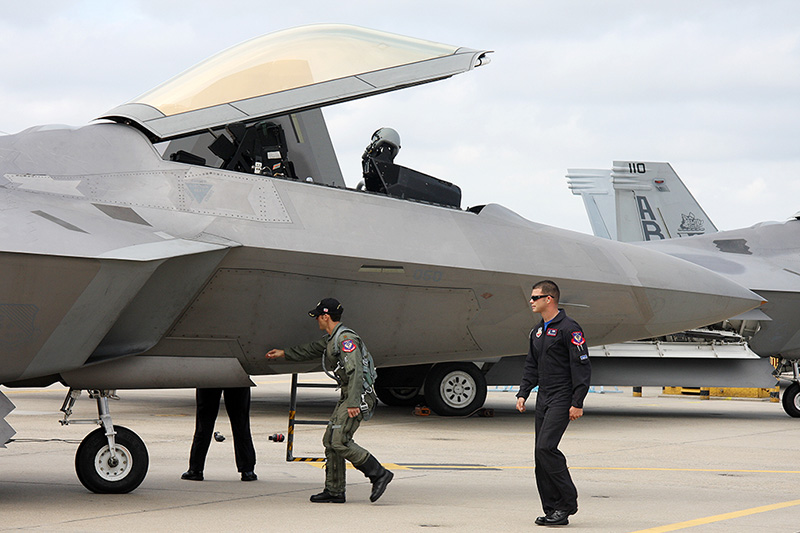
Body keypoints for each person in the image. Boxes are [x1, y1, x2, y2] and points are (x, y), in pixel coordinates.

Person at [265, 298, 393, 503]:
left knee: (340, 441)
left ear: (326, 316)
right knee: (330, 441)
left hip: (357, 396)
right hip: (349, 395)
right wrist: (283, 353)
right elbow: (310, 349)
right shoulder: (332, 339)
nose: (316, 320)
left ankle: (378, 473)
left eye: (318, 316)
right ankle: (334, 490)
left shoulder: (345, 340)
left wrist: (352, 403)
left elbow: (356, 372)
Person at [516, 280, 591, 527]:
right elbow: (531, 365)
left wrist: (577, 401)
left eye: (535, 297)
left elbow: (581, 366)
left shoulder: (570, 328)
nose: (531, 301)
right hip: (544, 396)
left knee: (546, 448)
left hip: (562, 396)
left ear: (549, 299)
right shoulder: (537, 331)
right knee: (540, 455)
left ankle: (567, 503)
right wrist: (523, 393)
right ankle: (552, 509)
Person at [181, 387, 257, 482]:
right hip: (236, 376)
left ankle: (196, 469)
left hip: (211, 377)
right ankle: (247, 470)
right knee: (240, 422)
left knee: (204, 422)